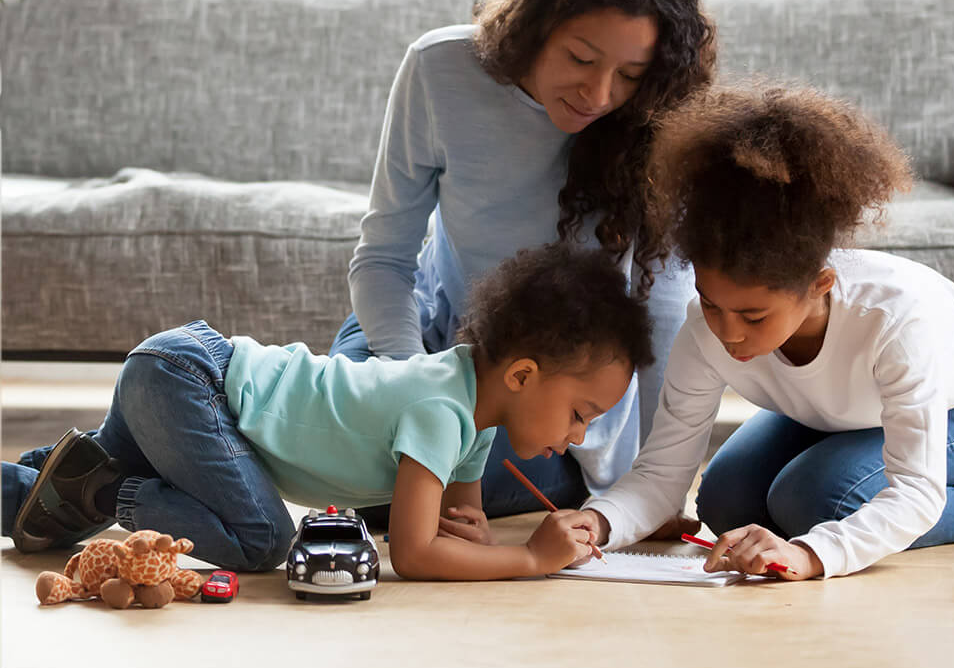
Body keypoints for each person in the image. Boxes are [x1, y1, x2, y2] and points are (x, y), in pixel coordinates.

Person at [330, 0, 715, 521]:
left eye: (630, 75)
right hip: (427, 342)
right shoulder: (440, 69)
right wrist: (417, 388)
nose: (599, 92)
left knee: (394, 496)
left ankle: (555, 471)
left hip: (549, 385)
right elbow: (383, 258)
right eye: (581, 58)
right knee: (328, 450)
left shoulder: (659, 118)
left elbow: (663, 304)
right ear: (537, 26)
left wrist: (656, 483)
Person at [576, 82, 954, 580]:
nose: (728, 333)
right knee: (727, 505)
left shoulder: (894, 323)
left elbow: (914, 491)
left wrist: (811, 553)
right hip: (840, 414)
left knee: (816, 504)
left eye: (754, 317)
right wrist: (595, 522)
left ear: (819, 284)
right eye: (711, 303)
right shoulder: (705, 327)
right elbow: (662, 474)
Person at [3, 244, 653, 581]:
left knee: (47, 517)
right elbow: (417, 553)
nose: (578, 436)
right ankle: (105, 489)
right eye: (579, 412)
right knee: (266, 542)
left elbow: (458, 524)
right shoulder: (442, 407)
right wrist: (530, 559)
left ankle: (61, 484)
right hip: (190, 384)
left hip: (181, 380)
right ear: (521, 375)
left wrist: (479, 538)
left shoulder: (474, 420)